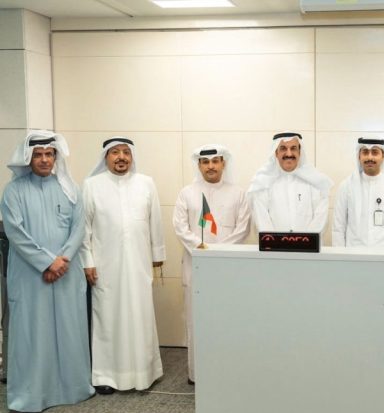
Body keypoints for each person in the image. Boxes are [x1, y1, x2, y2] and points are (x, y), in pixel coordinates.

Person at [0, 131, 93, 413]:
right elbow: (15, 232)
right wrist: (46, 263)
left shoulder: (70, 188)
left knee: (69, 330)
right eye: (38, 155)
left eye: (49, 154)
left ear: (55, 157)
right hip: (30, 275)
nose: (44, 160)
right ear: (28, 159)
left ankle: (73, 389)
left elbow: (79, 227)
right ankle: (30, 396)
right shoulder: (13, 191)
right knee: (33, 334)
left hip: (66, 272)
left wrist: (62, 260)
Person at [80, 137, 165, 394]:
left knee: (140, 316)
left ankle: (145, 372)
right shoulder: (92, 185)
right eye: (115, 152)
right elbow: (84, 229)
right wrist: (87, 261)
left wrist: (157, 255)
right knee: (108, 318)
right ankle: (106, 376)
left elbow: (155, 221)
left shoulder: (146, 183)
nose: (121, 157)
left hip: (139, 263)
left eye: (126, 152)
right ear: (106, 157)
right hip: (105, 265)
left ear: (132, 156)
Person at [173, 144, 250, 383]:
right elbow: (180, 227)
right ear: (199, 165)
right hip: (195, 265)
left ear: (223, 163)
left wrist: (218, 252)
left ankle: (226, 371)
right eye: (205, 162)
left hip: (228, 267)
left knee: (227, 319)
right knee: (196, 319)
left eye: (215, 161)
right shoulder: (187, 193)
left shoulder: (238, 193)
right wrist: (202, 248)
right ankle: (197, 374)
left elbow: (243, 228)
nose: (210, 166)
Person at [248, 133, 333, 233]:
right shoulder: (263, 183)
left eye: (293, 148)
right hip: (274, 243)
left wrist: (306, 240)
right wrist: (276, 241)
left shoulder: (315, 182)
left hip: (309, 243)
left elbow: (320, 219)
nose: (289, 154)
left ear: (300, 152)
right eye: (283, 148)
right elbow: (262, 221)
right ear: (276, 153)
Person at [332, 137, 384, 248]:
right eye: (365, 152)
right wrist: (339, 255)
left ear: (383, 156)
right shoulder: (346, 186)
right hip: (354, 253)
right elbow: (338, 228)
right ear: (359, 156)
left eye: (375, 152)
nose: (370, 157)